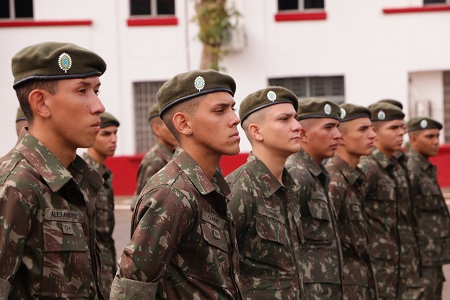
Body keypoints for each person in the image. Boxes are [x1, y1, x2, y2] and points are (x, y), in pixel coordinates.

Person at [110, 69, 242, 299]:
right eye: (220, 111)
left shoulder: (210, 185)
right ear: (183, 123)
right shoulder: (172, 193)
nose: (235, 119)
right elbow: (132, 290)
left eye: (233, 108)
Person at [0, 42, 106, 298]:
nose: (98, 106)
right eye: (82, 91)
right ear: (41, 103)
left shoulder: (75, 179)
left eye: (96, 90)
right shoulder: (15, 185)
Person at [226, 86, 305, 299]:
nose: (297, 126)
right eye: (284, 119)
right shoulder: (239, 190)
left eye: (296, 118)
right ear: (256, 131)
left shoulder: (290, 186)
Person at [359, 102, 426, 299]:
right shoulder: (367, 167)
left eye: (402, 127)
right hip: (380, 268)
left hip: (405, 264)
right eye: (393, 128)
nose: (401, 133)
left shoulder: (396, 165)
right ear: (375, 132)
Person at [285, 98, 344, 299]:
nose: (338, 135)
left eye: (337, 127)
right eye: (328, 127)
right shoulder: (298, 175)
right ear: (303, 134)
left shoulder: (317, 174)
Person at [325, 103, 377, 299]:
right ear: (342, 137)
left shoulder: (355, 177)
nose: (373, 135)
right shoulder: (334, 181)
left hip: (360, 283)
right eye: (363, 129)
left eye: (371, 128)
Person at [406, 116, 450, 300]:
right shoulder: (411, 169)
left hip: (433, 254)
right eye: (430, 136)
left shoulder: (425, 168)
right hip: (420, 258)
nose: (435, 142)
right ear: (414, 139)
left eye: (437, 136)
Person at [83, 111, 120, 299]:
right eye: (106, 134)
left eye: (115, 134)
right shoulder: (82, 174)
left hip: (107, 265)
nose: (113, 139)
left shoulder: (105, 174)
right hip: (90, 271)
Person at [130, 103, 178, 211]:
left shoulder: (175, 155)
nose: (177, 129)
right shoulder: (154, 161)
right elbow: (143, 205)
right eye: (171, 125)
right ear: (156, 129)